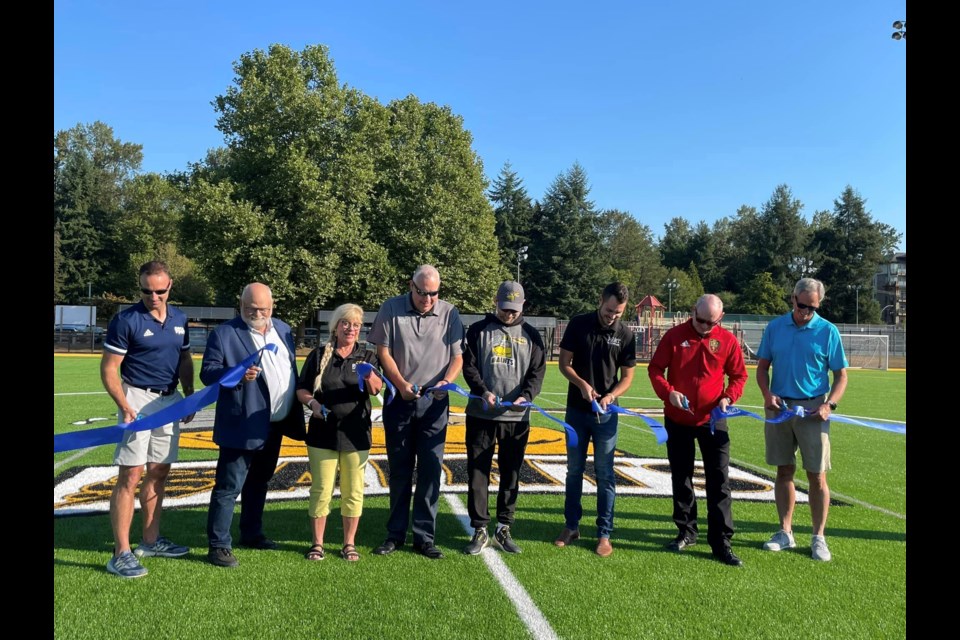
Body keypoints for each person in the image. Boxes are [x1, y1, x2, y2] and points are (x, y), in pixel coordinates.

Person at [100, 260, 195, 579]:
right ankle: (121, 553)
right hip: (137, 400)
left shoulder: (180, 318)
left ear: (170, 288)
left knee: (158, 472)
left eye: (159, 291)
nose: (152, 296)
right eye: (145, 290)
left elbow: (184, 359)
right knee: (130, 475)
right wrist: (123, 404)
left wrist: (189, 393)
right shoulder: (126, 320)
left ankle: (151, 541)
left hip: (169, 401)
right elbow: (109, 368)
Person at [201, 282, 305, 568]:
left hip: (274, 423)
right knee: (228, 486)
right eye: (250, 308)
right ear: (241, 304)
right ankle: (219, 545)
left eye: (263, 308)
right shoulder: (225, 333)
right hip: (241, 424)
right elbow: (208, 374)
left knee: (260, 481)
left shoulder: (283, 329)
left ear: (273, 307)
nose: (257, 313)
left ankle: (252, 533)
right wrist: (235, 373)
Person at [367, 265, 464, 560]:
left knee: (431, 470)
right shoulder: (391, 308)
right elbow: (382, 352)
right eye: (423, 293)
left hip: (435, 403)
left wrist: (447, 382)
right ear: (411, 285)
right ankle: (395, 534)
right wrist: (401, 384)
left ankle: (424, 537)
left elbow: (457, 356)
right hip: (399, 400)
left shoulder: (450, 313)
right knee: (399, 471)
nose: (428, 299)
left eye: (434, 294)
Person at [648, 294, 748, 567]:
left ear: (721, 318)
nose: (703, 326)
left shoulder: (727, 340)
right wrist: (668, 393)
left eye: (710, 322)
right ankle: (686, 531)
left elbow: (739, 375)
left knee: (719, 481)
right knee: (681, 477)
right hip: (678, 419)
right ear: (692, 311)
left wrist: (729, 396)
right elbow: (656, 369)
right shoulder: (674, 336)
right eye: (699, 319)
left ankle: (721, 542)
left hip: (714, 421)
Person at [756, 277, 848, 562]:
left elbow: (841, 375)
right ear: (792, 298)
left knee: (817, 476)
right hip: (780, 407)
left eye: (812, 307)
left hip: (813, 410)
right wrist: (767, 393)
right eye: (802, 305)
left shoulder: (827, 331)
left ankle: (818, 537)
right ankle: (785, 532)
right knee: (784, 471)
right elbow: (762, 368)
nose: (806, 311)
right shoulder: (775, 327)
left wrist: (829, 404)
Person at [461, 281, 546, 555]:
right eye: (505, 308)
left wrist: (527, 396)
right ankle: (480, 528)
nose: (509, 314)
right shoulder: (477, 331)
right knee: (478, 473)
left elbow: (537, 372)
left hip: (516, 418)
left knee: (511, 473)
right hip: (481, 415)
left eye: (514, 310)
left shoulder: (532, 335)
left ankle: (504, 526)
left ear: (522, 306)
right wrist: (483, 391)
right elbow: (469, 366)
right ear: (495, 303)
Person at [554, 282, 636, 557]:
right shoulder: (579, 324)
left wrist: (611, 396)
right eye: (610, 309)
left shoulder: (625, 333)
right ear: (600, 300)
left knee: (605, 474)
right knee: (574, 471)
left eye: (618, 312)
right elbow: (564, 363)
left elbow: (627, 377)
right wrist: (581, 384)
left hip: (606, 416)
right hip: (576, 412)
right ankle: (571, 525)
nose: (612, 316)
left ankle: (604, 533)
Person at [296, 303, 383, 562]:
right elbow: (301, 389)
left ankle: (348, 543)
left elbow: (377, 390)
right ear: (336, 326)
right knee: (321, 489)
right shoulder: (319, 354)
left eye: (356, 325)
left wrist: (369, 379)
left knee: (353, 490)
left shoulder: (367, 356)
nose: (351, 329)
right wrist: (312, 404)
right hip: (322, 433)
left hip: (357, 434)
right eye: (346, 323)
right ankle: (317, 543)